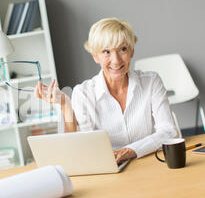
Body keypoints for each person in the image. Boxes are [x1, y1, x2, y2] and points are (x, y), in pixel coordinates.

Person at [34, 17, 178, 164]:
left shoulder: (151, 82)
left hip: (147, 161)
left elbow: (168, 131)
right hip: (109, 167)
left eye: (123, 49)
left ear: (132, 51)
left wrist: (130, 151)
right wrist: (65, 105)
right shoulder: (83, 93)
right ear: (95, 56)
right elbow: (81, 147)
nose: (116, 60)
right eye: (106, 52)